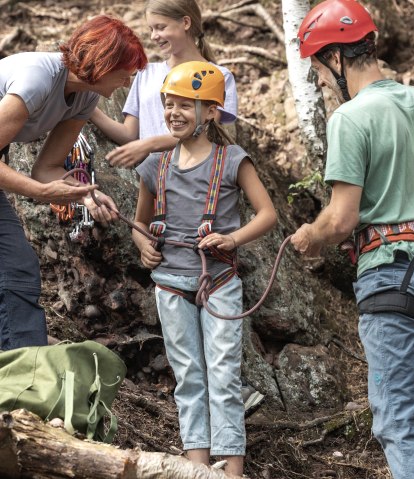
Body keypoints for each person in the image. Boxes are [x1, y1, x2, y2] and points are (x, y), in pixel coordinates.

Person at [291, 1, 414, 478]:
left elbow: (340, 220)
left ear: (335, 59)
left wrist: (311, 237)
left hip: (393, 278)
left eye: (316, 69)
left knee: (403, 422)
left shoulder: (351, 119)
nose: (317, 82)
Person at [132, 61, 277, 476]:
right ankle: (198, 467)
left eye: (185, 105)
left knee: (223, 373)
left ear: (211, 111)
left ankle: (231, 468)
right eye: (168, 104)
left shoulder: (232, 160)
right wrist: (143, 245)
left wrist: (232, 239)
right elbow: (140, 225)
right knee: (188, 375)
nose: (173, 112)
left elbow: (266, 214)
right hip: (170, 284)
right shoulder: (156, 165)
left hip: (219, 282)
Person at [0, 15, 147, 351]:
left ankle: (24, 366)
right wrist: (39, 193)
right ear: (103, 62)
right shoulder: (38, 79)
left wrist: (86, 196)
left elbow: (47, 168)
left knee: (17, 266)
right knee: (13, 266)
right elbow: (39, 185)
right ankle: (23, 363)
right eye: (126, 70)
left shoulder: (86, 98)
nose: (127, 82)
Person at [90, 0, 237, 168]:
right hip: (152, 180)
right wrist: (87, 109)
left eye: (161, 27)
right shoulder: (146, 73)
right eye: (151, 29)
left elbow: (205, 132)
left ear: (186, 22)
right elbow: (130, 135)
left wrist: (149, 144)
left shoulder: (219, 76)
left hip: (196, 180)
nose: (153, 36)